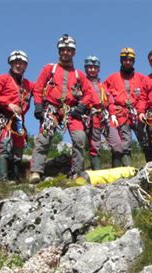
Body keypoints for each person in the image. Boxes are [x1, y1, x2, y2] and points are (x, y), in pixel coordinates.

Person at [30, 34, 93, 184]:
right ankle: (36, 171)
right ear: (59, 51)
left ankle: (77, 172)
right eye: (63, 50)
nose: (65, 52)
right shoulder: (49, 69)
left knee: (80, 139)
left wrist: (82, 106)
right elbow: (38, 87)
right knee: (44, 139)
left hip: (71, 111)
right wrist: (38, 105)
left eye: (69, 50)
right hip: (51, 109)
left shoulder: (79, 75)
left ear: (74, 52)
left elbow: (89, 93)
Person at [0, 50, 34, 181]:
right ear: (10, 64)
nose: (18, 65)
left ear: (25, 65)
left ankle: (15, 179)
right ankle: (2, 181)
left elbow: (42, 90)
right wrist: (8, 104)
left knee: (18, 151)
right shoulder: (1, 79)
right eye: (15, 63)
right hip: (4, 117)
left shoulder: (28, 85)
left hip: (19, 122)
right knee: (4, 147)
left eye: (21, 63)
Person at [104, 48, 152, 166]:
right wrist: (111, 110)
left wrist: (142, 110)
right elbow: (103, 93)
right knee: (126, 142)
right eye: (125, 60)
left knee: (145, 140)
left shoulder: (142, 78)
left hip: (138, 113)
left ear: (133, 61)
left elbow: (147, 95)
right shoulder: (112, 78)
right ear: (121, 61)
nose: (127, 62)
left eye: (130, 60)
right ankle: (128, 169)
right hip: (121, 114)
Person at [83, 55, 123, 170]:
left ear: (98, 69)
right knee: (95, 145)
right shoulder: (82, 84)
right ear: (86, 68)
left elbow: (110, 101)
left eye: (95, 67)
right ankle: (97, 172)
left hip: (106, 116)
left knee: (117, 144)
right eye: (90, 67)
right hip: (93, 116)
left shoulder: (103, 86)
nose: (92, 69)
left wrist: (113, 114)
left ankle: (117, 170)